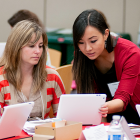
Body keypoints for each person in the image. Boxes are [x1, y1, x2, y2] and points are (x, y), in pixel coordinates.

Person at [72, 9, 140, 124]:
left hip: (134, 116)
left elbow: (122, 100)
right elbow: (90, 96)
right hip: (103, 117)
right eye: (81, 42)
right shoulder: (80, 55)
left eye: (93, 41)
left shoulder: (130, 53)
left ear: (106, 34)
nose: (87, 48)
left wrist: (95, 108)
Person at [0, 20, 65, 120]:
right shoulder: (1, 79)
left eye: (40, 46)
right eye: (31, 46)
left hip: (44, 134)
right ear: (16, 47)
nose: (38, 51)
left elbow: (64, 118)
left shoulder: (52, 76)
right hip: (10, 135)